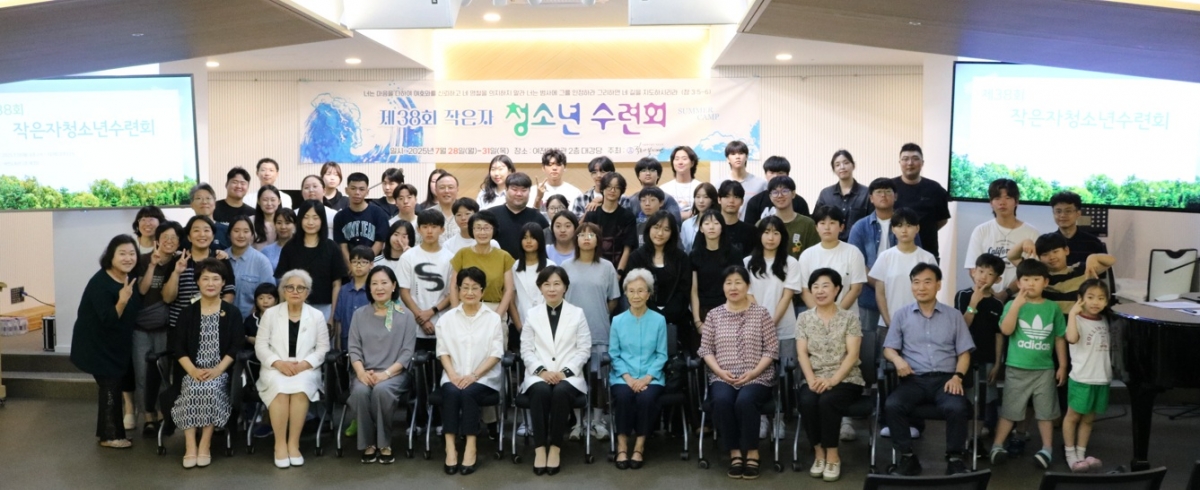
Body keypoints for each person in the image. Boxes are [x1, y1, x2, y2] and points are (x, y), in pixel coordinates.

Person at [883, 263, 974, 476]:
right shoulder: (901, 315)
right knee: (892, 405)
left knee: (957, 408)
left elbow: (964, 353)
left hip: (946, 380)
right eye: (916, 282)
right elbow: (888, 348)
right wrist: (897, 359)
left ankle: (955, 458)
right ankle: (907, 457)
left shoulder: (954, 316)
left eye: (927, 282)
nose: (921, 287)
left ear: (938, 285)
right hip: (913, 379)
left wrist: (958, 377)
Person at [698, 265, 778, 480]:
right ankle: (734, 452)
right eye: (728, 283)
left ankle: (752, 451)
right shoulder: (714, 315)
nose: (733, 287)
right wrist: (719, 371)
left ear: (747, 285)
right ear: (723, 287)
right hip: (722, 376)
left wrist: (753, 373)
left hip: (757, 376)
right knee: (722, 400)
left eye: (738, 282)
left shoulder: (761, 313)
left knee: (745, 401)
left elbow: (772, 349)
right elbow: (706, 350)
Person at [989, 259, 1068, 470]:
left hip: (1045, 370)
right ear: (1018, 282)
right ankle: (997, 445)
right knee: (1010, 410)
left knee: (1045, 412)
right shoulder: (1011, 305)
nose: (1030, 283)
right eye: (1025, 279)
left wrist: (1062, 365)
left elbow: (1059, 337)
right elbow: (1006, 330)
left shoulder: (1052, 308)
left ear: (1045, 282)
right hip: (1016, 368)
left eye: (1036, 279)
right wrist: (1016, 305)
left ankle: (1047, 449)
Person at [171, 258, 244, 468]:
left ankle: (205, 443)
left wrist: (217, 370)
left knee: (210, 388)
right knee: (193, 387)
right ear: (198, 282)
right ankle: (190, 445)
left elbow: (236, 346)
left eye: (215, 278)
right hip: (191, 370)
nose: (210, 283)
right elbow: (178, 347)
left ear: (223, 283)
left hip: (221, 372)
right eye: (205, 279)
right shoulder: (188, 313)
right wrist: (193, 371)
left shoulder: (232, 313)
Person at [519, 266, 592, 476]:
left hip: (568, 376)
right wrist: (541, 371)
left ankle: (556, 448)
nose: (552, 289)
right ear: (540, 288)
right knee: (541, 391)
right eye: (547, 284)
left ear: (565, 287)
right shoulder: (532, 314)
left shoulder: (577, 314)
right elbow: (526, 349)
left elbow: (584, 348)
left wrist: (564, 372)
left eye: (557, 284)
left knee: (560, 391)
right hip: (538, 375)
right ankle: (540, 448)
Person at [71, 235, 142, 449]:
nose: (128, 258)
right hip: (96, 345)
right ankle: (111, 436)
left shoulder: (128, 277)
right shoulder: (100, 283)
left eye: (132, 253)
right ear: (111, 256)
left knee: (112, 386)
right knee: (110, 387)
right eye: (122, 253)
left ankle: (109, 433)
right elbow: (109, 319)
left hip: (114, 345)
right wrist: (122, 300)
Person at [255, 269, 331, 469]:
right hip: (274, 367)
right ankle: (280, 444)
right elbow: (260, 346)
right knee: (279, 389)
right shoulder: (271, 314)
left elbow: (323, 348)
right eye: (290, 287)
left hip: (305, 367)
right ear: (283, 291)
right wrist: (278, 363)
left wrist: (304, 364)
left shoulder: (316, 316)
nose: (295, 291)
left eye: (300, 288)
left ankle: (294, 444)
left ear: (307, 292)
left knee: (300, 389)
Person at [795, 268, 864, 483]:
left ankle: (833, 455)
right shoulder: (804, 318)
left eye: (825, 286)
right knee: (807, 400)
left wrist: (833, 380)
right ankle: (819, 453)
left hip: (846, 378)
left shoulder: (849, 318)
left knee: (828, 400)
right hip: (814, 376)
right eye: (815, 286)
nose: (820, 291)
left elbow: (852, 355)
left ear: (837, 289)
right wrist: (811, 379)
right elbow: (802, 353)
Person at [435, 267, 505, 475]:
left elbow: (496, 354)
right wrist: (453, 375)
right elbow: (443, 352)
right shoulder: (446, 319)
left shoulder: (493, 319)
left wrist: (474, 376)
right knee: (451, 391)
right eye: (465, 287)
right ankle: (450, 448)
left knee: (469, 392)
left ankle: (470, 447)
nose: (469, 292)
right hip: (453, 375)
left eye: (475, 288)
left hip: (484, 379)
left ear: (482, 291)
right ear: (458, 290)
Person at [347, 265, 417, 465]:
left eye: (384, 283)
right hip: (365, 372)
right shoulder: (359, 314)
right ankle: (368, 443)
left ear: (393, 285)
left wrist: (385, 374)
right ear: (369, 288)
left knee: (382, 390)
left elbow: (407, 353)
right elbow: (354, 348)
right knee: (360, 392)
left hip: (395, 374)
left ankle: (384, 443)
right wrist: (361, 373)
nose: (379, 287)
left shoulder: (406, 315)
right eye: (374, 283)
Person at [561, 222, 622, 440]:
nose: (586, 238)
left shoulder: (607, 267)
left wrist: (600, 312)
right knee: (574, 376)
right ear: (576, 239)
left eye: (591, 235)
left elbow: (613, 299)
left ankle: (597, 421)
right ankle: (578, 423)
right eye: (582, 234)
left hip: (598, 329)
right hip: (571, 332)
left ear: (598, 240)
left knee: (598, 379)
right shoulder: (566, 266)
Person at [608, 268, 668, 470]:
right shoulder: (617, 321)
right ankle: (622, 445)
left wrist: (646, 379)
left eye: (641, 291)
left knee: (646, 398)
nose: (636, 295)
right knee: (623, 396)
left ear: (649, 294)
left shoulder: (659, 320)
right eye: (631, 291)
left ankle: (639, 446)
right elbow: (614, 354)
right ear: (625, 293)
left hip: (652, 377)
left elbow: (661, 355)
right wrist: (628, 378)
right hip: (622, 377)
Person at [133, 221, 185, 435]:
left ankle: (163, 414)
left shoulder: (180, 262)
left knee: (163, 372)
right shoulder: (144, 260)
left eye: (174, 238)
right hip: (140, 326)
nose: (169, 242)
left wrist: (176, 272)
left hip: (164, 327)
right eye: (165, 237)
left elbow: (169, 297)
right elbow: (142, 290)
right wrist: (152, 266)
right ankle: (148, 416)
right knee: (142, 373)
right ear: (157, 240)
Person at [849, 178, 920, 334]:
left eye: (888, 191)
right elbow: (857, 263)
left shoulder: (908, 227)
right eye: (879, 192)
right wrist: (880, 285)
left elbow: (916, 259)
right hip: (868, 297)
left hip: (903, 294)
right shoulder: (860, 227)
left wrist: (894, 285)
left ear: (895, 196)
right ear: (871, 198)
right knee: (869, 341)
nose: (883, 195)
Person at [1062, 279, 1112, 473]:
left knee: (1089, 419)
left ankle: (1081, 454)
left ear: (1106, 301)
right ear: (1080, 299)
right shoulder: (1077, 320)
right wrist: (1072, 314)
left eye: (1101, 298)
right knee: (1073, 417)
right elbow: (1071, 338)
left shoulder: (1105, 320)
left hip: (1101, 378)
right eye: (1090, 297)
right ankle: (1070, 454)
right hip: (1082, 378)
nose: (1095, 302)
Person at [955, 254, 1006, 436]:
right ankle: (967, 428)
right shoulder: (962, 295)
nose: (983, 276)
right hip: (966, 355)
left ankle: (988, 426)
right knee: (967, 393)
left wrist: (998, 363)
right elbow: (962, 326)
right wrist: (974, 303)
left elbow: (999, 335)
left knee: (989, 393)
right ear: (973, 272)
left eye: (990, 274)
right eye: (981, 271)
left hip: (988, 356)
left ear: (997, 279)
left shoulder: (997, 304)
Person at [965, 178, 1040, 300]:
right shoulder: (981, 231)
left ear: (1016, 201)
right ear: (991, 202)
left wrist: (1006, 293)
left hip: (1020, 298)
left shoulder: (1031, 233)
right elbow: (973, 267)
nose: (1002, 202)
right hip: (987, 297)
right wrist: (991, 294)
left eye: (1008, 198)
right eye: (997, 198)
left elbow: (1032, 272)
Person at [274, 200, 349, 320]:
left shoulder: (332, 248)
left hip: (324, 309)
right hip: (294, 308)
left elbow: (337, 284)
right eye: (306, 217)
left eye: (315, 218)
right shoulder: (290, 247)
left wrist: (332, 316)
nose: (310, 222)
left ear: (322, 220)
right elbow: (282, 282)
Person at [744, 216, 802, 368]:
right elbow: (748, 295)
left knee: (786, 373)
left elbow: (787, 297)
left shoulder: (791, 263)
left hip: (785, 329)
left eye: (776, 233)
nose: (771, 238)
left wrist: (770, 325)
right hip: (755, 329)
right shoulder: (747, 262)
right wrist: (762, 323)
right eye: (766, 232)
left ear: (782, 237)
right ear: (759, 235)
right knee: (758, 373)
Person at [1010, 233, 1116, 314]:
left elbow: (1111, 260)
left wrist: (1093, 257)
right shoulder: (1038, 274)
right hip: (1048, 324)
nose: (1051, 257)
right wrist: (1025, 242)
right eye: (1045, 254)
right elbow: (1012, 257)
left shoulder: (1081, 270)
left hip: (1077, 323)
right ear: (1039, 257)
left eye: (1055, 251)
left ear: (1066, 250)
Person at [626, 211, 693, 334]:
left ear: (672, 233)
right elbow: (633, 289)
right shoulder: (636, 257)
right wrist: (654, 314)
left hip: (676, 320)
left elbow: (684, 290)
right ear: (649, 229)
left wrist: (666, 314)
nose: (660, 233)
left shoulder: (681, 258)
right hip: (643, 318)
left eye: (666, 229)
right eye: (656, 227)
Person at [870, 209, 937, 327]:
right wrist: (889, 323)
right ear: (893, 229)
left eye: (909, 225)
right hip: (888, 324)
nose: (904, 230)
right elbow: (880, 293)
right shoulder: (885, 257)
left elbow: (932, 292)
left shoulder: (927, 258)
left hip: (920, 325)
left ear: (917, 228)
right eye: (899, 226)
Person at [798, 206, 867, 316]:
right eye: (822, 223)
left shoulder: (853, 252)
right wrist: (820, 315)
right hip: (816, 319)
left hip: (847, 318)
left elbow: (856, 289)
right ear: (816, 227)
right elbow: (805, 290)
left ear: (841, 227)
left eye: (832, 223)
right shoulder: (807, 255)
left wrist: (835, 315)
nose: (827, 227)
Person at [169, 216, 236, 330]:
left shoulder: (221, 259)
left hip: (213, 324)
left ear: (213, 236)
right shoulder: (178, 260)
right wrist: (176, 273)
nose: (202, 234)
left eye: (206, 230)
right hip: (180, 325)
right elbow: (168, 299)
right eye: (196, 230)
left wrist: (209, 316)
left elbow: (229, 294)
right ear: (189, 237)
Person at [689, 209, 739, 355]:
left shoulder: (733, 253)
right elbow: (693, 290)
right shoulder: (694, 255)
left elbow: (739, 285)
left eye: (716, 223)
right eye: (707, 223)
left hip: (729, 309)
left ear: (722, 227)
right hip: (704, 310)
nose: (711, 227)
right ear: (701, 228)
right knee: (706, 354)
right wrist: (698, 321)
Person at [449, 210, 515, 320]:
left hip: (494, 309)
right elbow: (454, 286)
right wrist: (456, 313)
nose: (482, 232)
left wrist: (497, 316)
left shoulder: (504, 257)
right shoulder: (462, 254)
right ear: (472, 230)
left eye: (486, 228)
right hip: (465, 309)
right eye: (478, 228)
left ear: (493, 229)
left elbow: (508, 290)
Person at [891, 143, 951, 262]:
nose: (910, 163)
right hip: (896, 251)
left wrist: (924, 230)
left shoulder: (935, 189)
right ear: (900, 162)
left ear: (922, 163)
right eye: (905, 159)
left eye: (915, 159)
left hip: (928, 251)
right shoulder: (890, 188)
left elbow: (942, 220)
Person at [583, 172, 637, 273]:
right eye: (609, 187)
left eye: (617, 187)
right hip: (594, 268)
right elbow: (586, 243)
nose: (612, 190)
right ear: (602, 189)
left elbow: (628, 248)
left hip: (619, 269)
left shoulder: (628, 216)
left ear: (621, 191)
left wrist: (619, 272)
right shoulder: (592, 215)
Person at [489, 172, 550, 260]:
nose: (519, 194)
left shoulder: (538, 217)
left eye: (524, 190)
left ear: (529, 192)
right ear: (506, 189)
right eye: (514, 189)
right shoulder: (491, 215)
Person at [334, 172, 391, 264]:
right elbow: (342, 246)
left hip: (373, 264)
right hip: (349, 266)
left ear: (367, 192)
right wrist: (352, 265)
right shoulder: (340, 217)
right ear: (346, 190)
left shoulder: (379, 214)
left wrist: (366, 263)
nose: (357, 192)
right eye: (353, 188)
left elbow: (380, 242)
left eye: (361, 189)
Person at [226, 215, 276, 319]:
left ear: (252, 235)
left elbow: (269, 295)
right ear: (229, 234)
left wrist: (252, 320)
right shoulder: (220, 258)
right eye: (236, 231)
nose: (241, 235)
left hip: (251, 321)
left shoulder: (262, 262)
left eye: (246, 231)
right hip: (223, 320)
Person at [815, 150, 870, 241]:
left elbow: (871, 222)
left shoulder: (866, 193)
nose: (842, 167)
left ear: (853, 165)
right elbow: (817, 220)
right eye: (837, 165)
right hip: (831, 243)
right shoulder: (825, 194)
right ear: (834, 169)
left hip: (858, 243)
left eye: (846, 163)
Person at [510, 223, 555, 335]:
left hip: (547, 327)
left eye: (533, 238)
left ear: (540, 240)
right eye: (525, 238)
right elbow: (511, 300)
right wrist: (519, 327)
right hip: (521, 325)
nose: (528, 241)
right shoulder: (515, 266)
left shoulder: (550, 266)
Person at [764, 176, 819, 259]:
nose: (780, 195)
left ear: (793, 194)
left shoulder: (808, 224)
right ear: (770, 197)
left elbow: (814, 255)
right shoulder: (763, 224)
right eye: (775, 192)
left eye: (784, 191)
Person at [744, 156, 811, 224]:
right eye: (772, 173)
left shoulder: (800, 202)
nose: (775, 176)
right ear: (765, 174)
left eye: (780, 173)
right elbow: (750, 228)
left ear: (787, 175)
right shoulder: (755, 201)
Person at [1049, 191, 1108, 266]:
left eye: (1068, 211)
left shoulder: (1093, 242)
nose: (1063, 215)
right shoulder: (1048, 242)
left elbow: (1102, 269)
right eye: (1058, 211)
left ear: (1078, 213)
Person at [332, 246, 374, 350]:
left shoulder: (374, 289)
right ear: (350, 264)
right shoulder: (344, 290)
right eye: (354, 262)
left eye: (363, 262)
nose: (358, 266)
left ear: (371, 264)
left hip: (370, 342)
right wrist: (338, 346)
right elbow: (338, 320)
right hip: (347, 342)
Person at [624, 157, 682, 223]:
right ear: (638, 176)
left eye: (652, 170)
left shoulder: (667, 199)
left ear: (658, 175)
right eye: (643, 170)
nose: (648, 173)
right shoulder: (632, 200)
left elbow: (675, 223)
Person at [723, 141, 765, 220]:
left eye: (741, 153)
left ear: (746, 157)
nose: (737, 157)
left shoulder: (761, 184)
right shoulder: (720, 184)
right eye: (733, 154)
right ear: (728, 159)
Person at [660, 145, 701, 221]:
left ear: (692, 163)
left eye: (684, 159)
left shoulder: (700, 187)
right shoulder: (664, 189)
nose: (680, 162)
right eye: (677, 159)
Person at [717, 180, 757, 259]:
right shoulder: (710, 229)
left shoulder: (751, 231)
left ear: (742, 201)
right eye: (727, 196)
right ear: (719, 199)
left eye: (736, 197)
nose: (731, 201)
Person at [188, 183, 230, 250]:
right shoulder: (185, 232)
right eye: (199, 198)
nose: (204, 202)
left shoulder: (227, 231)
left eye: (208, 198)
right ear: (191, 204)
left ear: (215, 203)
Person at [680, 182, 718, 254]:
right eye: (698, 197)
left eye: (706, 197)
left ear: (713, 200)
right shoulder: (687, 224)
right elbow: (684, 249)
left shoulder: (719, 223)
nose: (701, 201)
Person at [300, 175, 337, 239]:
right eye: (306, 187)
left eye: (315, 186)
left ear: (324, 191)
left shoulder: (334, 215)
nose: (311, 190)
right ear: (302, 192)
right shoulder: (295, 214)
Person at [433, 173, 462, 244]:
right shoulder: (428, 214)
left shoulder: (467, 214)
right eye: (442, 187)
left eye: (450, 187)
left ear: (457, 189)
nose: (446, 191)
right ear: (436, 190)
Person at [253, 185, 283, 250]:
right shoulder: (251, 222)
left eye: (273, 200)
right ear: (258, 201)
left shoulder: (285, 223)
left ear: (279, 201)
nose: (269, 203)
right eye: (265, 200)